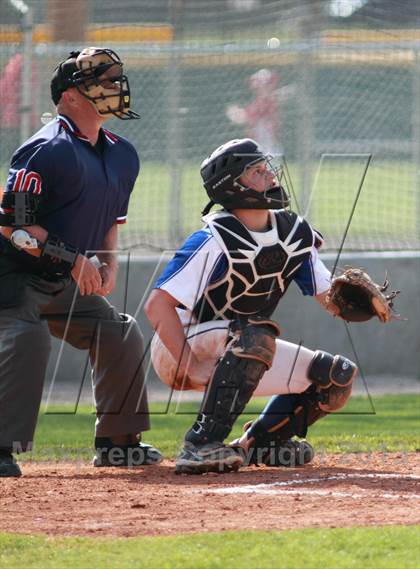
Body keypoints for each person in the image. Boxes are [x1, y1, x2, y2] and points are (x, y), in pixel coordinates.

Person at [145, 138, 358, 475]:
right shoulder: (213, 239)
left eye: (267, 168)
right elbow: (157, 306)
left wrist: (357, 302)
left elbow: (329, 298)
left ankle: (262, 443)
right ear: (234, 187)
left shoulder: (292, 234)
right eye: (258, 171)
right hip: (180, 346)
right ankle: (200, 444)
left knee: (336, 378)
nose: (271, 176)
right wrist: (189, 364)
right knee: (255, 336)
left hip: (243, 344)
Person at [0, 47, 162, 477]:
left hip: (58, 276)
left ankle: (117, 443)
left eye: (114, 79)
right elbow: (13, 228)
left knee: (119, 332)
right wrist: (73, 260)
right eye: (101, 81)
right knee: (27, 336)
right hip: (12, 276)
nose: (114, 88)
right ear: (70, 96)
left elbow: (111, 220)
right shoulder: (45, 149)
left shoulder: (122, 154)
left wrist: (109, 265)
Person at [226, 69, 281, 155]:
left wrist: (236, 113)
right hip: (260, 143)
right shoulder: (262, 100)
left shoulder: (267, 101)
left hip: (266, 144)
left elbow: (246, 117)